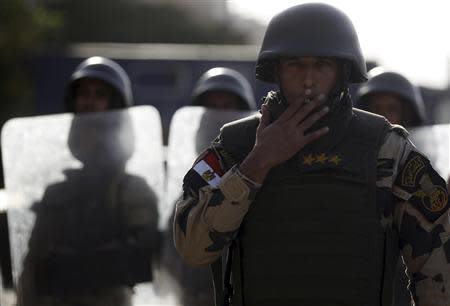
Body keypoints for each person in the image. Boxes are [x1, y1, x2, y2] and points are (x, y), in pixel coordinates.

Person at [173, 3, 450, 306]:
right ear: (276, 70)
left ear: (342, 72)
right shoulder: (235, 146)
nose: (308, 79)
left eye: (321, 65)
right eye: (295, 64)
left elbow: (437, 266)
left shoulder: (385, 148)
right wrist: (258, 161)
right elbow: (192, 248)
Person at [18, 56, 160, 306]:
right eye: (84, 94)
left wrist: (77, 265)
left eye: (99, 95)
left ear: (115, 107)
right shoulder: (56, 192)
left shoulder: (131, 190)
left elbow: (144, 260)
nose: (89, 102)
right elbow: (31, 271)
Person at [161, 67, 256, 306]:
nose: (218, 116)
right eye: (210, 108)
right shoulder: (187, 197)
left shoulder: (262, 185)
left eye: (227, 107)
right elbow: (167, 266)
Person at [355, 68, 427, 127]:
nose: (383, 116)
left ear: (406, 115)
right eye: (377, 109)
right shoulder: (353, 144)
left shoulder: (422, 144)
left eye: (392, 109)